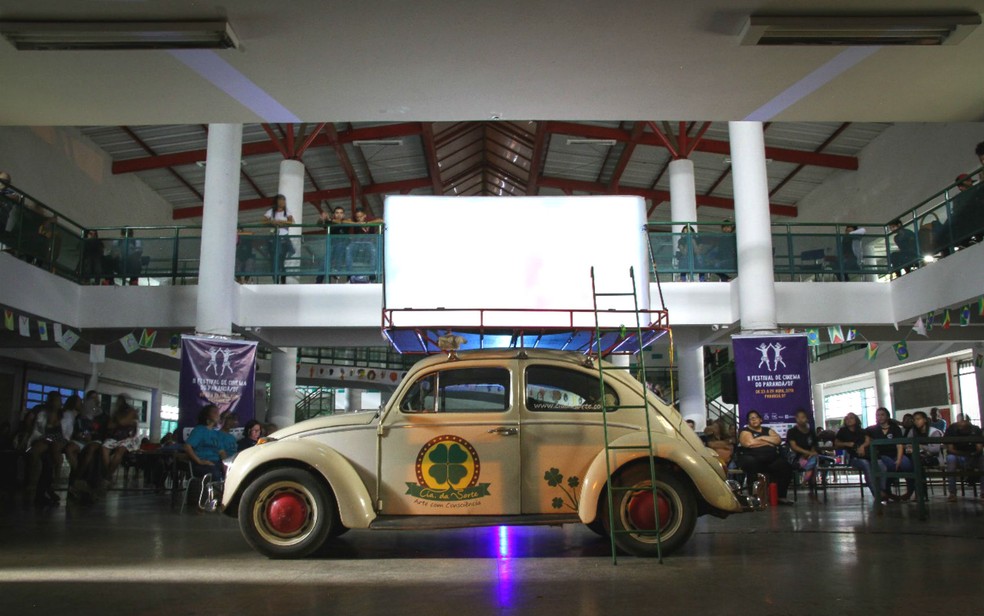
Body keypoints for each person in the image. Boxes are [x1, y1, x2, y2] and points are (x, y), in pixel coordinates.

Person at [735, 410, 793, 505]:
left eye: (755, 417)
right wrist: (769, 442)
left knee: (784, 466)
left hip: (770, 459)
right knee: (751, 464)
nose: (753, 420)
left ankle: (780, 496)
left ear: (760, 419)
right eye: (751, 418)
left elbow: (777, 440)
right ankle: (754, 498)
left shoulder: (768, 430)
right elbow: (749, 443)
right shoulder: (745, 431)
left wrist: (761, 438)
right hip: (752, 458)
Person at [864, 407, 911, 502]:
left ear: (887, 416)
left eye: (882, 415)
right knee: (890, 466)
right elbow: (865, 439)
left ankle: (910, 491)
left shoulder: (895, 428)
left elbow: (899, 444)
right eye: (878, 415)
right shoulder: (871, 430)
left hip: (896, 453)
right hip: (882, 455)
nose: (880, 417)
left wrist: (899, 459)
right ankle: (886, 490)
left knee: (907, 465)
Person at [899, 410, 943, 501]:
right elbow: (908, 445)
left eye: (918, 419)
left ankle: (920, 493)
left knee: (916, 463)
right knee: (909, 464)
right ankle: (914, 491)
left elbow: (935, 449)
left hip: (933, 458)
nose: (916, 422)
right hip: (916, 457)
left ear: (925, 420)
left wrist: (920, 446)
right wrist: (910, 448)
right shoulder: (913, 431)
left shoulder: (934, 432)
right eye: (914, 420)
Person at [942, 413, 984, 502]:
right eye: (960, 422)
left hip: (973, 456)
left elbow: (979, 448)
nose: (962, 424)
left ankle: (983, 492)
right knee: (950, 458)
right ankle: (952, 493)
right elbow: (950, 449)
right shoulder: (952, 429)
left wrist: (972, 454)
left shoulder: (975, 430)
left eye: (965, 422)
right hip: (957, 456)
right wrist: (964, 454)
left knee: (982, 459)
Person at [834, 412, 877, 498]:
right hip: (852, 457)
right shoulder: (843, 431)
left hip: (865, 455)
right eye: (847, 418)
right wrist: (847, 444)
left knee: (880, 464)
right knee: (865, 464)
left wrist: (862, 446)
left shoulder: (861, 431)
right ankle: (876, 493)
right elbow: (836, 443)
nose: (848, 420)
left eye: (851, 418)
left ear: (856, 420)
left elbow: (868, 440)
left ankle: (883, 490)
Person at [183, 405, 226, 481]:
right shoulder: (199, 430)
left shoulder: (216, 433)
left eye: (218, 412)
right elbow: (187, 446)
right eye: (214, 412)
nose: (218, 415)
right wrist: (199, 461)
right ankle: (215, 492)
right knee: (215, 473)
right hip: (202, 464)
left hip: (216, 463)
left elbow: (221, 452)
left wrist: (226, 464)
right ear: (207, 416)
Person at [100, 404, 140, 485]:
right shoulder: (116, 418)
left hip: (126, 439)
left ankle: (108, 475)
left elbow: (133, 434)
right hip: (114, 439)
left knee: (120, 451)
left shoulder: (133, 421)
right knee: (104, 448)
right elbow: (110, 426)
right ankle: (108, 474)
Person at [787, 409, 820, 498]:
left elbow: (814, 445)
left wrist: (809, 454)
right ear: (796, 418)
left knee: (814, 461)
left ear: (807, 418)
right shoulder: (792, 432)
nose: (801, 419)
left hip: (810, 456)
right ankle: (808, 484)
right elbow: (794, 447)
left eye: (803, 417)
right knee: (813, 465)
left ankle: (810, 488)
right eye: (799, 417)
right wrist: (805, 453)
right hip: (796, 457)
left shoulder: (811, 432)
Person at [263, 194, 294, 283]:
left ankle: (282, 281)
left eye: (284, 200)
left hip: (283, 238)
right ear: (276, 201)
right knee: (273, 260)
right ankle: (275, 280)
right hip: (274, 238)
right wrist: (272, 222)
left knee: (281, 260)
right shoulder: (271, 211)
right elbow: (263, 220)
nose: (283, 202)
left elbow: (291, 222)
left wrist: (280, 222)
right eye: (281, 200)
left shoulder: (287, 212)